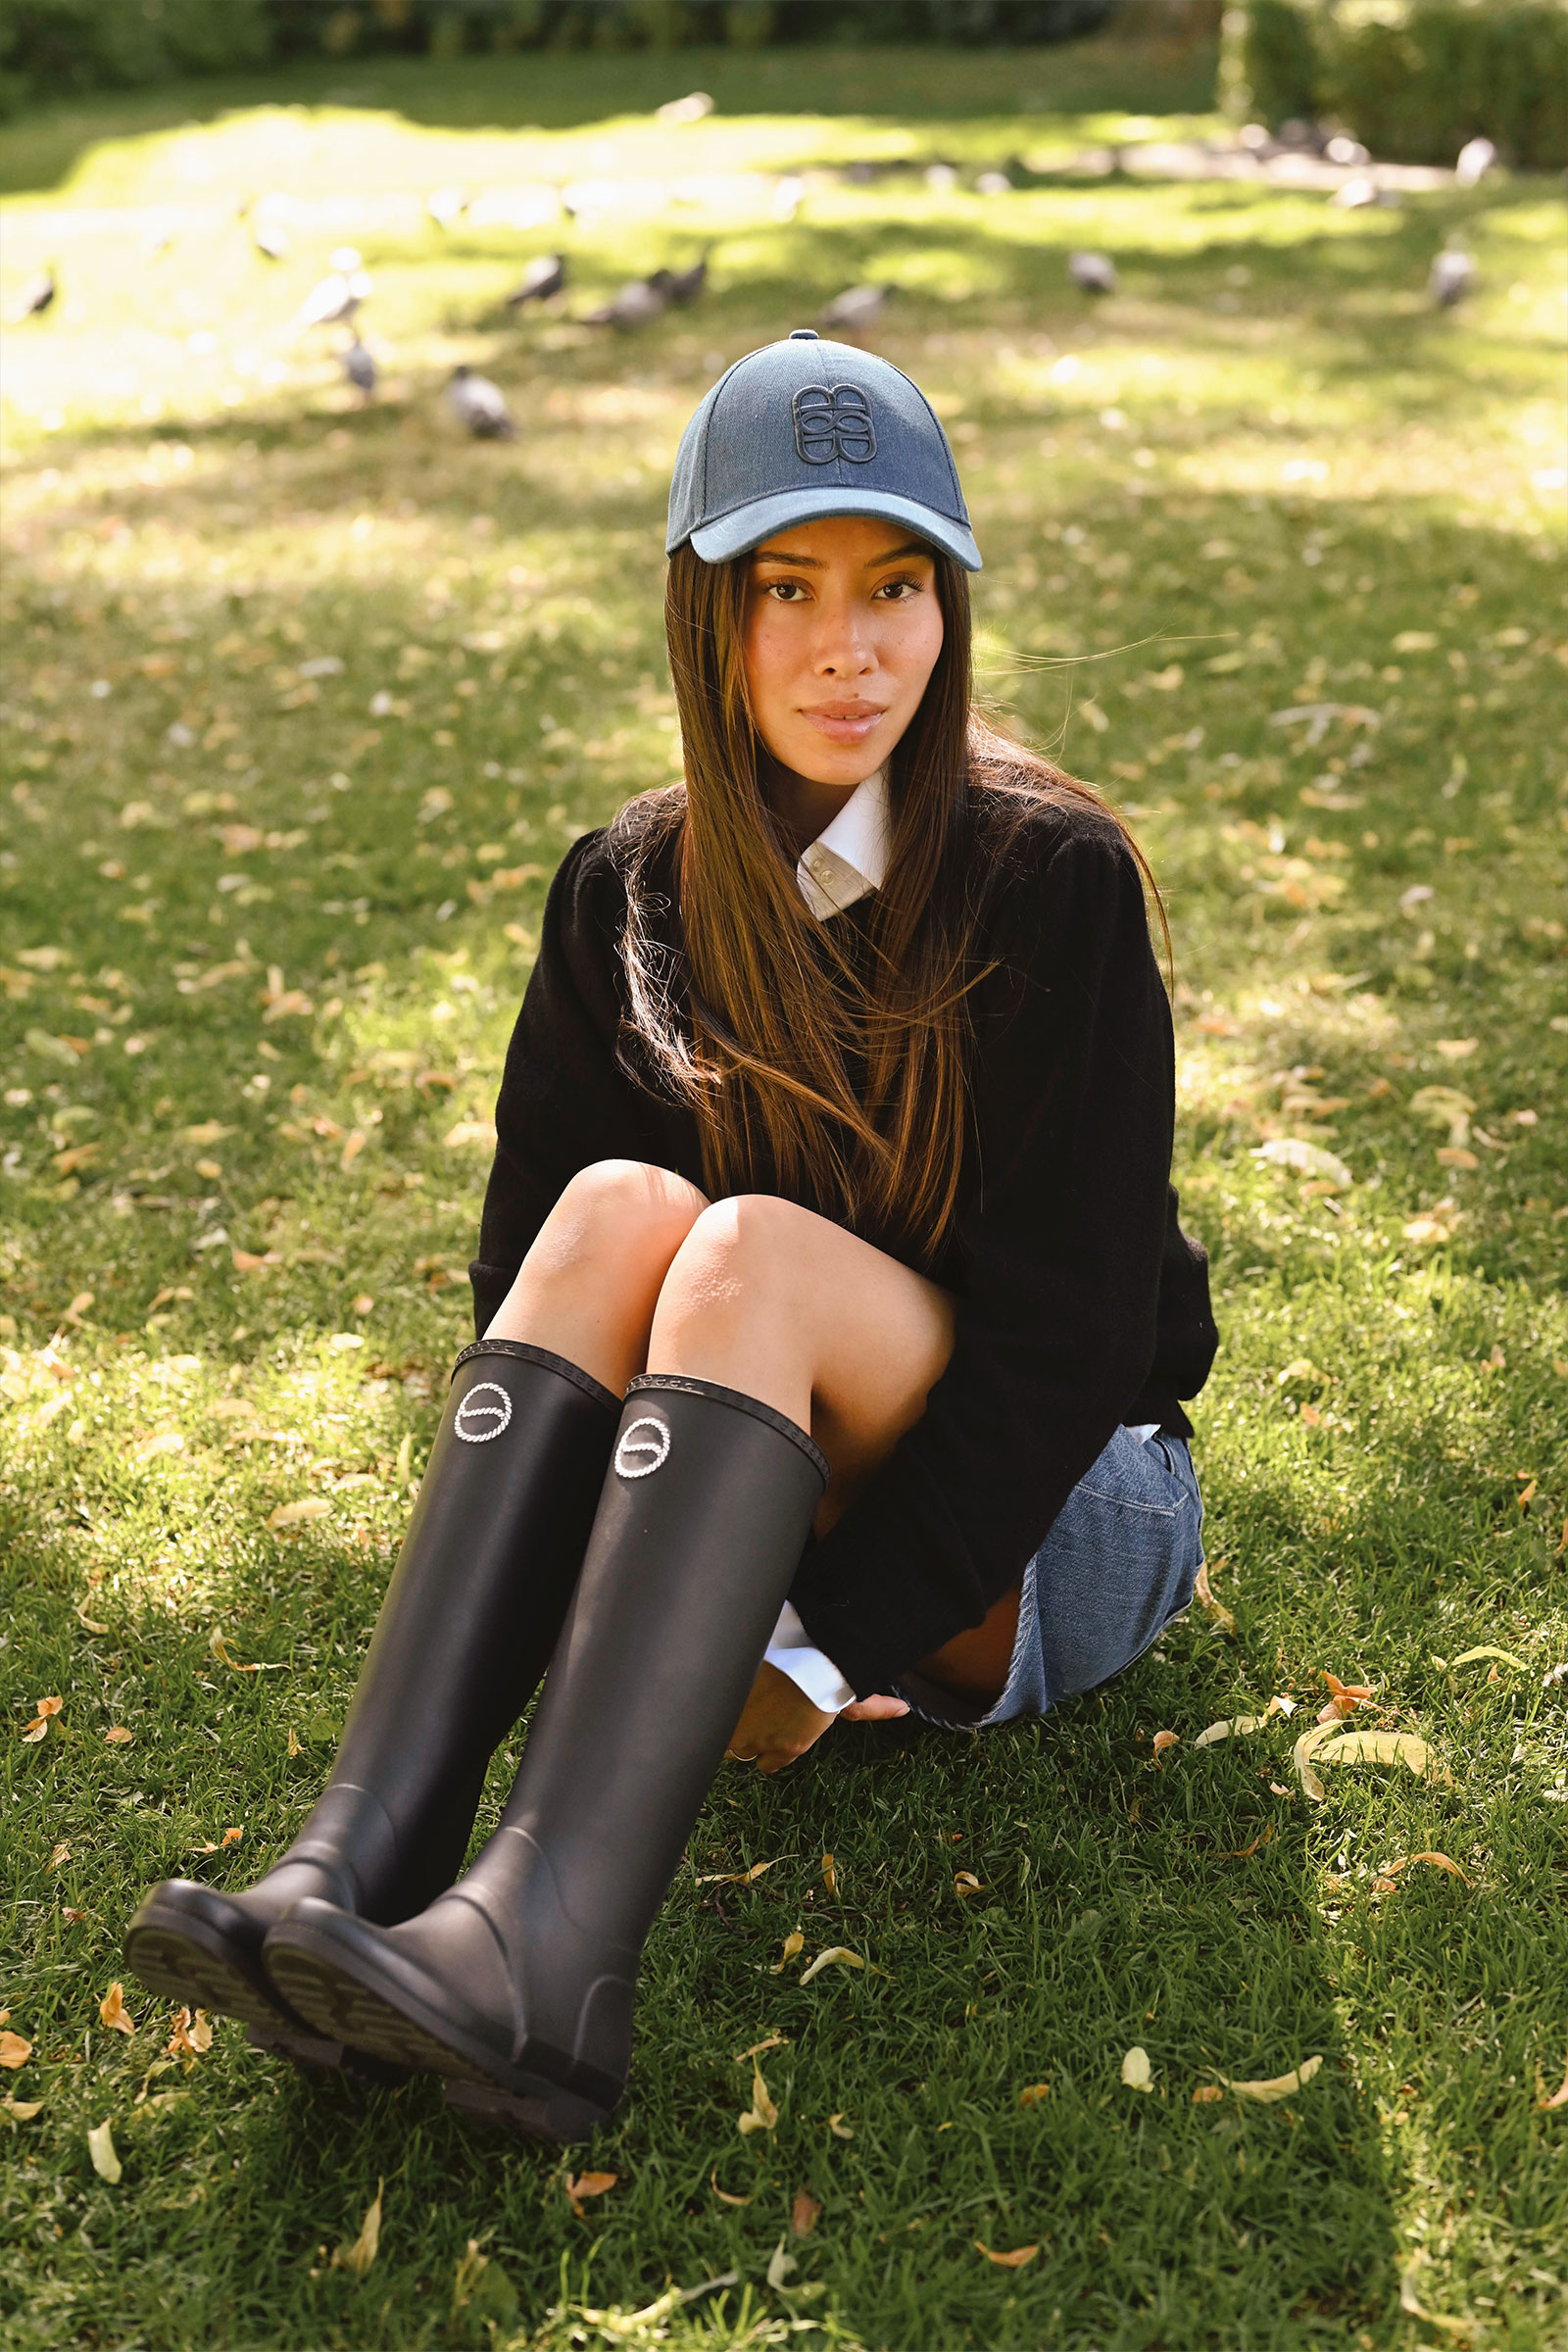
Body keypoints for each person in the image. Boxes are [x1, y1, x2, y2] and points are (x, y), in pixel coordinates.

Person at [125, 331, 1217, 2144]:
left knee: (750, 1252)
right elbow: (532, 1298)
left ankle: (549, 1961)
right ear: (706, 615)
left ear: (948, 610)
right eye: (787, 589)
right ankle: (357, 1863)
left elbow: (1078, 1339)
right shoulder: (628, 884)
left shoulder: (1050, 881)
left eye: (894, 587)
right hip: (770, 1482)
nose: (848, 647)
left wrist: (823, 1646)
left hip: (1063, 1509)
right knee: (618, 1210)